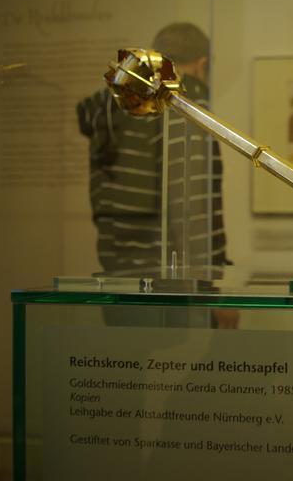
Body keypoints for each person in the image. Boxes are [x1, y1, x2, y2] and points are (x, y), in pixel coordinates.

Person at [77, 22, 237, 329]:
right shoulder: (182, 105)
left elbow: (102, 201)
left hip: (116, 278)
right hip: (169, 284)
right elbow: (192, 207)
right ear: (202, 65)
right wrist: (213, 290)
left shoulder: (114, 107)